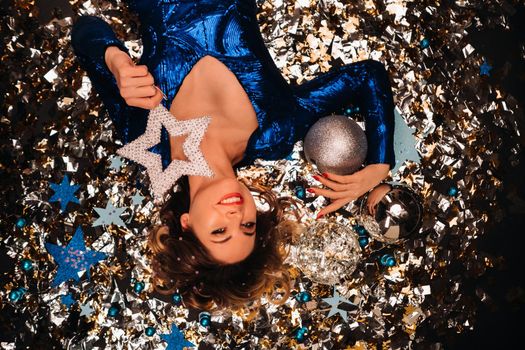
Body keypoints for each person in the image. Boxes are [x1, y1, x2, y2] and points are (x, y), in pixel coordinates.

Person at [70, 0, 396, 310]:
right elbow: (367, 75)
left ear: (186, 225)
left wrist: (116, 62)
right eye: (248, 226)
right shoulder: (276, 129)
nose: (236, 217)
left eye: (219, 232)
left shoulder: (147, 138)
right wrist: (380, 162)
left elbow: (84, 28)